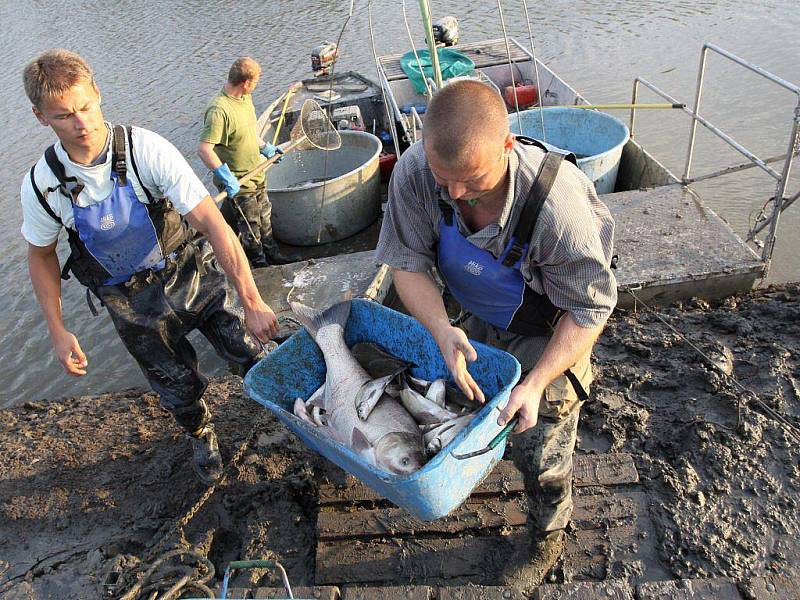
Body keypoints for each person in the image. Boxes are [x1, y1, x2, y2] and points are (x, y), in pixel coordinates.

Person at [375, 80, 617, 590]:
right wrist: (441, 330)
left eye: (472, 180)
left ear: (507, 147)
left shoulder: (555, 206)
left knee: (542, 436)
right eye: (446, 180)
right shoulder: (418, 173)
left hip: (545, 326)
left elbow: (590, 307)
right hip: (470, 312)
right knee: (463, 402)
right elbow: (406, 263)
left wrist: (535, 383)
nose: (456, 193)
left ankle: (547, 532)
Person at [20, 49, 279, 486]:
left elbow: (213, 224)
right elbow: (41, 255)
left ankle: (289, 407)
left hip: (191, 275)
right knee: (176, 387)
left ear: (98, 93)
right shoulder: (43, 185)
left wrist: (252, 300)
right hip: (129, 304)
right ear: (41, 117)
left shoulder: (146, 149)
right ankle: (202, 435)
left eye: (86, 107)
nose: (81, 123)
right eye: (64, 116)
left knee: (250, 350)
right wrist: (58, 330)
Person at [198, 57, 297, 268]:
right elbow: (204, 150)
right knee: (251, 228)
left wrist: (265, 147)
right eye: (255, 83)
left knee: (265, 218)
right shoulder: (219, 111)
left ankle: (274, 255)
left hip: (257, 174)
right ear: (245, 83)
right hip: (240, 183)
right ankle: (260, 266)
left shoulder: (245, 99)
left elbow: (249, 132)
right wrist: (227, 177)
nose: (255, 86)